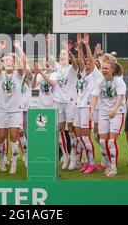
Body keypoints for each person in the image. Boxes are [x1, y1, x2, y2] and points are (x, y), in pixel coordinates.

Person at [0, 39, 27, 174]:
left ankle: (13, 164)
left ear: (14, 63)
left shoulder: (18, 76)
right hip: (2, 111)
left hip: (16, 111)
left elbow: (23, 62)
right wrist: (0, 49)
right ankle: (2, 161)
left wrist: (18, 49)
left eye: (10, 60)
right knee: (0, 138)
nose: (8, 62)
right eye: (6, 60)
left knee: (14, 137)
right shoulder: (0, 76)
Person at [46, 34, 79, 170]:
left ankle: (74, 156)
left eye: (65, 54)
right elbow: (49, 58)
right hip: (59, 102)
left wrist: (70, 51)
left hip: (70, 101)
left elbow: (76, 63)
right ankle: (65, 156)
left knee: (71, 129)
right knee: (60, 129)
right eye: (61, 54)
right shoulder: (58, 69)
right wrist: (48, 44)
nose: (62, 56)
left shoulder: (72, 69)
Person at [90, 61, 126, 177]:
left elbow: (120, 97)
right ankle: (109, 164)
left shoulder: (118, 81)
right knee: (102, 141)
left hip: (117, 113)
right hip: (103, 113)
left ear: (112, 70)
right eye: (103, 68)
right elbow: (95, 97)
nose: (104, 70)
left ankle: (113, 167)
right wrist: (91, 111)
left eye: (106, 68)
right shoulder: (100, 81)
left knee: (111, 141)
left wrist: (114, 110)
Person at [75, 33, 101, 174]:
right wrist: (79, 48)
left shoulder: (96, 76)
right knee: (80, 138)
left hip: (87, 108)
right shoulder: (84, 74)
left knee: (85, 137)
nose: (88, 64)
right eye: (87, 63)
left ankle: (92, 162)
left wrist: (86, 45)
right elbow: (82, 61)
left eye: (91, 63)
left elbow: (90, 59)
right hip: (78, 108)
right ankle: (87, 161)